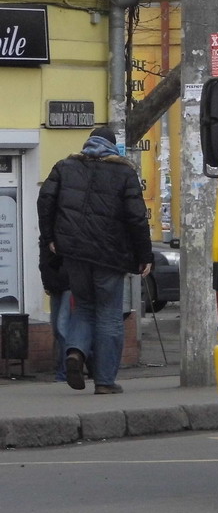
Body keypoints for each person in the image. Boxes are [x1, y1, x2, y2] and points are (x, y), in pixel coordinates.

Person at [37, 127, 153, 395]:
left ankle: (75, 353)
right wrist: (144, 256)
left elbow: (45, 201)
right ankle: (104, 380)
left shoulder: (65, 166)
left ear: (88, 143)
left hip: (74, 252)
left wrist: (51, 238)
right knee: (110, 315)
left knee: (84, 308)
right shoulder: (124, 172)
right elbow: (137, 217)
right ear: (113, 147)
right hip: (110, 256)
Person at [38, 239, 70, 383]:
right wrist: (47, 283)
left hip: (70, 284)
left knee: (62, 327)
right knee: (57, 329)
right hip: (55, 284)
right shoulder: (46, 237)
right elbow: (43, 263)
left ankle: (64, 373)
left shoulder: (68, 229)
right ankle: (68, 366)